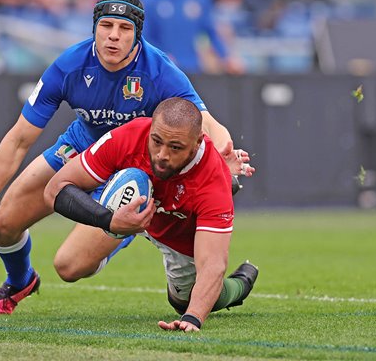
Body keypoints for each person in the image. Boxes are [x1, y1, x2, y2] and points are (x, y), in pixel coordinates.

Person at [0, 0, 254, 317]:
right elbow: (18, 139)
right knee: (2, 224)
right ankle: (19, 282)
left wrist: (225, 153)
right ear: (95, 27)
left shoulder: (159, 70)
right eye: (106, 26)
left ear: (137, 35)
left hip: (133, 167)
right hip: (81, 149)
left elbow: (206, 122)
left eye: (125, 28)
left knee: (70, 268)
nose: (113, 36)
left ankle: (131, 222)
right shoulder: (70, 65)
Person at [44, 98, 258, 331]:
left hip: (177, 233)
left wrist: (193, 317)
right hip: (128, 211)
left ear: (197, 143)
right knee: (68, 266)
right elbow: (55, 189)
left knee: (182, 303)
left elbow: (213, 264)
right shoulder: (129, 135)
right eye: (156, 141)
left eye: (175, 147)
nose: (161, 155)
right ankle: (128, 227)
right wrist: (111, 220)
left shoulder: (213, 180)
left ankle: (240, 284)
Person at [139, 0, 244, 74]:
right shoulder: (151, 1)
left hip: (193, 66)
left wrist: (226, 57)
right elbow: (146, 37)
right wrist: (161, 57)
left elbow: (210, 30)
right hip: (163, 69)